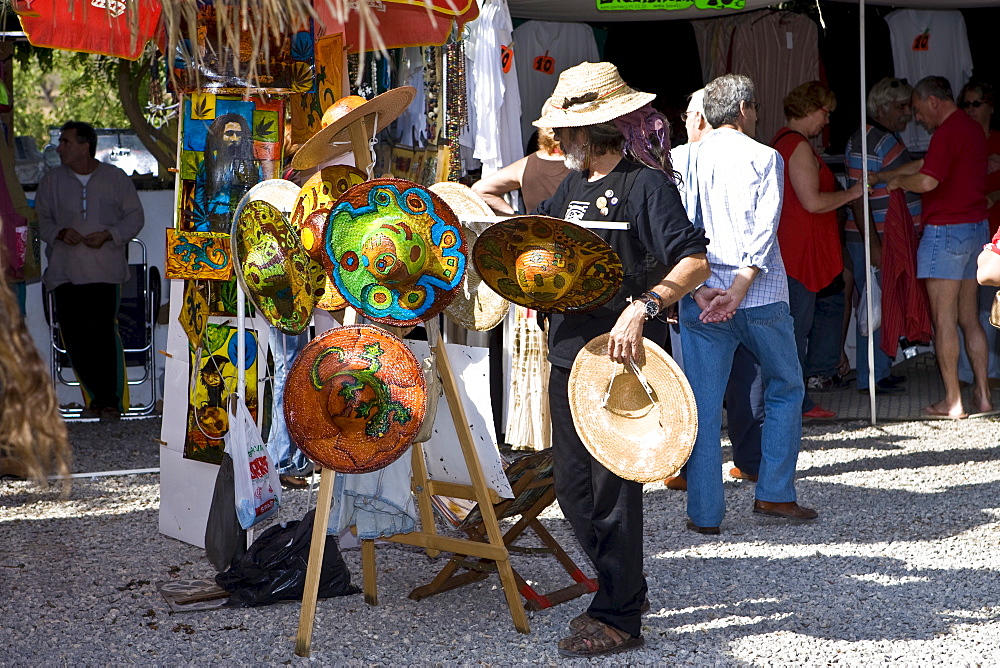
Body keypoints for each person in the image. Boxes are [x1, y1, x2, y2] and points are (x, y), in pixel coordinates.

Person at [533, 62, 710, 658]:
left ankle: (619, 615)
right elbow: (549, 251)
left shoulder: (646, 184)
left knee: (613, 491)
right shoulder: (572, 187)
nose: (560, 143)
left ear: (594, 128)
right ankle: (624, 588)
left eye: (567, 133)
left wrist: (643, 306)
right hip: (567, 356)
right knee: (571, 488)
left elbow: (693, 262)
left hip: (620, 359)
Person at [679, 74, 818, 536]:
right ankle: (775, 494)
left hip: (699, 297)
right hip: (759, 295)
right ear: (742, 109)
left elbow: (675, 233)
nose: (758, 114)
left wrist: (700, 290)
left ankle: (704, 513)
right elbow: (764, 229)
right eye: (755, 106)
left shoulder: (680, 157)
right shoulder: (764, 155)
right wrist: (738, 290)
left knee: (701, 404)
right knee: (785, 388)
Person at [664, 88, 763, 492]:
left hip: (696, 288)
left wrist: (674, 290)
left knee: (693, 386)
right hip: (746, 287)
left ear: (702, 117)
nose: (685, 121)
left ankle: (693, 474)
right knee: (748, 379)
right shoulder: (755, 154)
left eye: (688, 113)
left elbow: (670, 232)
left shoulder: (680, 159)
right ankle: (751, 462)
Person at [879, 76, 991, 419]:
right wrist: (887, 176)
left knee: (944, 321)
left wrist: (897, 182)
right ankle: (983, 396)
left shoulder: (946, 132)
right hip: (976, 229)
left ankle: (953, 401)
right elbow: (929, 166)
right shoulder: (971, 128)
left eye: (917, 110)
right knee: (970, 319)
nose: (917, 118)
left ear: (933, 102)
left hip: (946, 232)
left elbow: (927, 180)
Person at [36, 121, 144, 422]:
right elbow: (41, 220)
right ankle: (96, 399)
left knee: (103, 336)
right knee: (74, 337)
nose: (59, 148)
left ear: (85, 146)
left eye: (66, 142)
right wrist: (58, 232)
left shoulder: (116, 178)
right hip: (65, 272)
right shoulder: (51, 181)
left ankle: (109, 402)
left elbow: (135, 217)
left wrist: (109, 234)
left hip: (105, 272)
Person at [772, 82, 864, 419]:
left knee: (795, 328)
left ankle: (795, 400)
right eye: (825, 113)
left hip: (797, 251)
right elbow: (811, 201)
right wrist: (851, 195)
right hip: (798, 254)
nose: (826, 121)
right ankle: (795, 403)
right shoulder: (795, 146)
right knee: (795, 330)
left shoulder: (787, 142)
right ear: (810, 109)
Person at [844, 77, 922, 395]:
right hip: (873, 239)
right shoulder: (868, 140)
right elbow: (859, 196)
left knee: (884, 304)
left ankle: (881, 370)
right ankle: (869, 379)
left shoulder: (884, 137)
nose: (908, 114)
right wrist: (872, 244)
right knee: (874, 306)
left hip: (886, 238)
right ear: (883, 107)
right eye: (902, 107)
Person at [956, 81, 1000, 387]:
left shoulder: (997, 140)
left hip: (995, 228)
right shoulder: (964, 141)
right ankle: (971, 373)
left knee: (993, 303)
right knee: (968, 305)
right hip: (969, 228)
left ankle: (993, 373)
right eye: (966, 104)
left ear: (990, 107)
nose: (971, 109)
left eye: (976, 103)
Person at [472, 116, 571, 215]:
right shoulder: (580, 165)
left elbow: (479, 189)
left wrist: (511, 216)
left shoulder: (525, 164)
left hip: (533, 228)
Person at [193, 113, 262, 232]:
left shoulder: (253, 166)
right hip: (212, 225)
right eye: (229, 134)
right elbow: (199, 199)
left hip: (242, 226)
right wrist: (202, 228)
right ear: (219, 136)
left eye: (238, 135)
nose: (234, 139)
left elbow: (259, 197)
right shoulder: (206, 165)